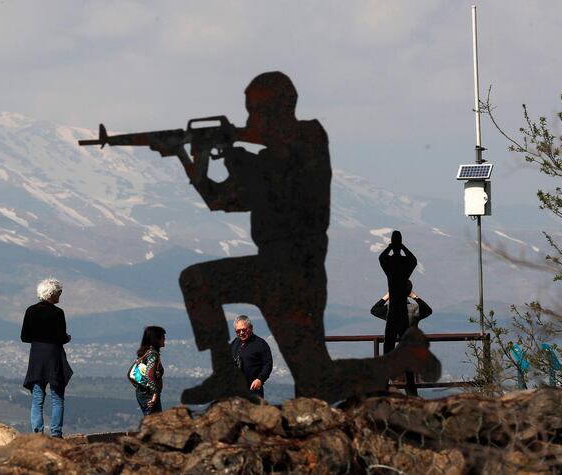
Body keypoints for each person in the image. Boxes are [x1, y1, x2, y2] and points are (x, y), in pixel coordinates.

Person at [148, 71, 440, 404]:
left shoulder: (308, 137)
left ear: (280, 107)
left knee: (201, 282)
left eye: (255, 111)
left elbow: (277, 168)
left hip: (296, 270)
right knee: (201, 283)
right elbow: (219, 199)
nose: (250, 119)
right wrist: (191, 159)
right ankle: (224, 374)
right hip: (272, 267)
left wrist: (234, 153)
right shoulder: (268, 158)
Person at [21, 278, 73, 437]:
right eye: (59, 293)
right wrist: (66, 338)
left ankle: (38, 433)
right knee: (57, 397)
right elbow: (61, 337)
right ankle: (56, 433)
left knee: (38, 397)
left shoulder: (30, 310)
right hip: (53, 356)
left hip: (36, 356)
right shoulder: (58, 313)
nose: (60, 296)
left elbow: (24, 336)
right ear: (51, 294)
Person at [230, 315, 273, 399]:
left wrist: (260, 380)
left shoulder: (260, 344)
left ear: (251, 328)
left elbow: (268, 364)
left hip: (254, 390)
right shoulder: (234, 343)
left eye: (244, 330)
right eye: (238, 331)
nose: (241, 333)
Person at [134, 326, 166, 416]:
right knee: (155, 423)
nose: (164, 339)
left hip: (141, 392)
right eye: (162, 337)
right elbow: (150, 375)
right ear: (156, 339)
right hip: (150, 395)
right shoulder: (153, 355)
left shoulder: (144, 353)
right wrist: (155, 394)